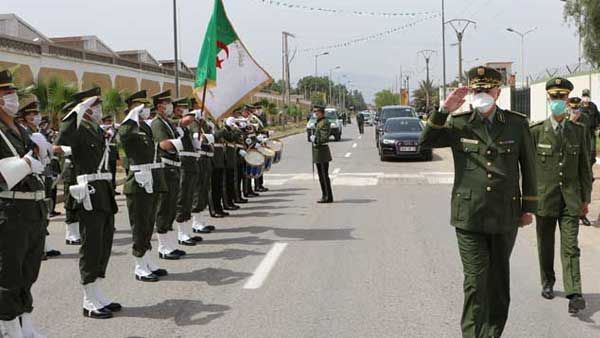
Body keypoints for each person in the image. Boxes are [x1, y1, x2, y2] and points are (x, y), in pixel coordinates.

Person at [420, 66, 537, 338]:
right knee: (475, 282)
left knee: (498, 283)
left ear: (498, 91)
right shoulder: (459, 123)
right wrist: (444, 110)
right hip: (469, 215)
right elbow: (425, 141)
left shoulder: (516, 124)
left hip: (505, 214)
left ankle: (492, 334)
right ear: (471, 92)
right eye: (477, 90)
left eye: (487, 89)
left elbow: (529, 168)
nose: (482, 94)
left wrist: (528, 208)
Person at [56, 90, 121, 319]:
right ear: (85, 108)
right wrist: (78, 110)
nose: (99, 109)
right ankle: (88, 298)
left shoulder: (95, 129)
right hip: (89, 192)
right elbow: (62, 137)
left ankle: (98, 291)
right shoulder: (78, 128)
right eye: (94, 105)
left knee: (104, 242)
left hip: (103, 191)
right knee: (91, 244)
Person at [530, 77, 591, 314]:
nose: (558, 101)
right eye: (554, 97)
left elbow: (585, 167)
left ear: (567, 100)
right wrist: (528, 201)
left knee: (570, 247)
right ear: (549, 99)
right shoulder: (536, 132)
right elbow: (528, 168)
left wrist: (585, 198)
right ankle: (547, 281)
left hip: (570, 199)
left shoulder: (578, 131)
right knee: (545, 244)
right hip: (545, 198)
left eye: (561, 97)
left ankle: (574, 292)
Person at [0, 69, 47, 337]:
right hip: (10, 209)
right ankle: (8, 327)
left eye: (13, 92)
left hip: (33, 208)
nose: (13, 98)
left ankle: (24, 323)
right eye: (6, 93)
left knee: (29, 272)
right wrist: (26, 163)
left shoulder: (19, 129)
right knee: (9, 274)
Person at [119, 90, 169, 282]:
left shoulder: (145, 127)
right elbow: (123, 135)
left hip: (152, 179)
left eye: (145, 106)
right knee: (140, 224)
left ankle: (147, 260)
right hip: (138, 182)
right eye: (140, 106)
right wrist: (131, 117)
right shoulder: (129, 127)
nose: (144, 109)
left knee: (149, 223)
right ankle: (139, 264)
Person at [17, 98, 62, 261]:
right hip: (28, 177)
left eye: (37, 113)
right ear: (23, 116)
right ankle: (39, 247)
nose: (36, 117)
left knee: (43, 209)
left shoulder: (36, 131)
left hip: (42, 173)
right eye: (32, 114)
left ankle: (44, 245)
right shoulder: (23, 132)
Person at [151, 90, 187, 260]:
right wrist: (177, 142)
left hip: (174, 168)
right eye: (167, 103)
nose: (170, 106)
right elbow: (164, 145)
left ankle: (170, 244)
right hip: (165, 169)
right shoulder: (157, 123)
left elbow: (181, 123)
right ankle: (163, 247)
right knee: (164, 208)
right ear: (160, 106)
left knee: (171, 207)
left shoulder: (167, 122)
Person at [171, 98, 203, 246]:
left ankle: (187, 230)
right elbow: (184, 121)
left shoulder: (185, 128)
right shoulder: (173, 123)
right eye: (181, 108)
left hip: (191, 163)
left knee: (189, 197)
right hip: (183, 164)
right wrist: (194, 115)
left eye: (185, 108)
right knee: (182, 198)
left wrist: (196, 145)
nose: (182, 110)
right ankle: (181, 233)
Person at [189, 99, 216, 234]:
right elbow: (196, 136)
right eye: (200, 105)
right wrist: (208, 136)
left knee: (205, 189)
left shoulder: (202, 122)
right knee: (198, 191)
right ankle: (196, 222)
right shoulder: (193, 122)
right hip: (199, 158)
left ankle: (200, 220)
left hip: (206, 158)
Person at [311, 105, 334, 203]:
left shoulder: (324, 122)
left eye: (317, 111)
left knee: (324, 176)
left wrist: (315, 139)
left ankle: (328, 196)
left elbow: (324, 138)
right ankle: (325, 195)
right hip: (318, 152)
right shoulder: (319, 122)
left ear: (322, 113)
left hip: (322, 152)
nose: (315, 113)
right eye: (314, 111)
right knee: (321, 176)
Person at [101, 115, 120, 195]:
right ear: (104, 121)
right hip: (106, 152)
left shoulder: (113, 128)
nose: (110, 122)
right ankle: (108, 189)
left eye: (110, 121)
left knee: (113, 171)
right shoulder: (102, 129)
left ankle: (113, 188)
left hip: (112, 152)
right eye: (108, 121)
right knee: (107, 171)